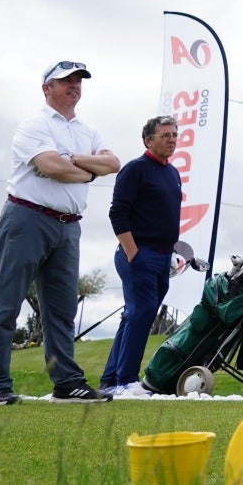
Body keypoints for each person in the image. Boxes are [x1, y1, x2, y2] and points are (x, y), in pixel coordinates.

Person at [0, 60, 121, 405]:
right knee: (6, 301)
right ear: (47, 88)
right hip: (26, 219)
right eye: (66, 80)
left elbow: (113, 164)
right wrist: (89, 170)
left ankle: (66, 382)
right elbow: (50, 166)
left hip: (68, 226)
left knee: (61, 310)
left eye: (78, 80)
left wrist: (72, 158)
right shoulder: (34, 125)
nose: (74, 85)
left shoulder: (88, 131)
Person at [99, 115, 184, 396]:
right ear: (148, 140)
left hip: (162, 257)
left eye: (174, 134)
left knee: (136, 315)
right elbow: (117, 212)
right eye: (165, 135)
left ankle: (111, 380)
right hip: (138, 254)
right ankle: (125, 380)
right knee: (141, 313)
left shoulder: (172, 173)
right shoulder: (135, 169)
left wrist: (171, 251)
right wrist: (133, 252)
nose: (172, 139)